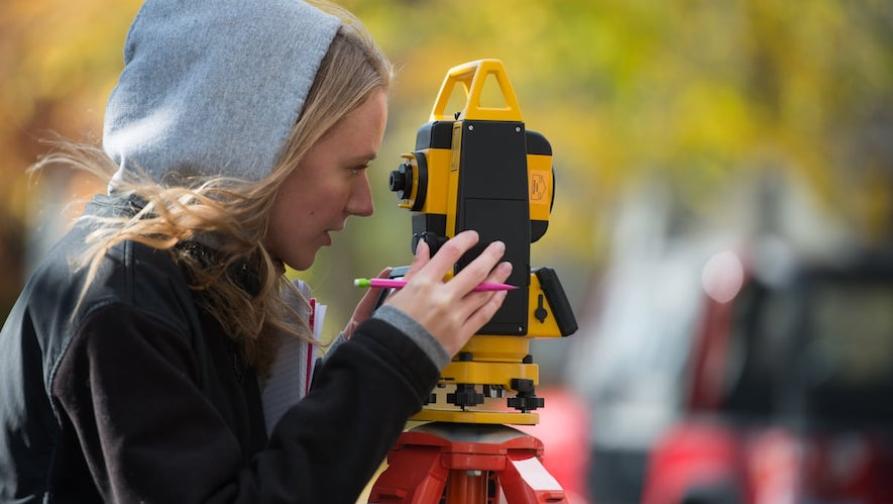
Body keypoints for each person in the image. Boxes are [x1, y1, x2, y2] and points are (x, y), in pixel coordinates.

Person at [0, 0, 512, 502]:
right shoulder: (123, 300)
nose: (365, 204)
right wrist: (391, 359)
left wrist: (350, 366)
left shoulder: (186, 283)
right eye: (353, 169)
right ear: (260, 150)